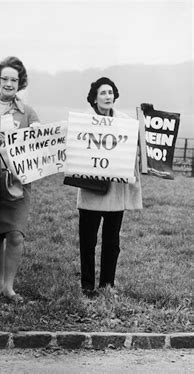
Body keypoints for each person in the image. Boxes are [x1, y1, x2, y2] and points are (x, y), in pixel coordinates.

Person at [77, 77, 143, 298]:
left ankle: (107, 283)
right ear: (94, 98)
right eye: (102, 93)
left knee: (112, 241)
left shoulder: (124, 121)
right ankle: (87, 284)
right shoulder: (84, 120)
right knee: (88, 240)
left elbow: (134, 148)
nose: (107, 96)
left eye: (110, 92)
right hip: (90, 188)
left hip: (115, 189)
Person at [0, 56, 40, 302]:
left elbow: (40, 139)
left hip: (18, 182)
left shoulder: (28, 112)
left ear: (20, 83)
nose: (8, 83)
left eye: (14, 79)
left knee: (15, 234)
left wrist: (34, 133)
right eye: (4, 78)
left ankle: (10, 286)